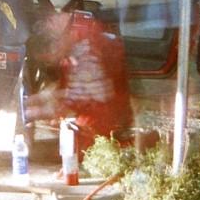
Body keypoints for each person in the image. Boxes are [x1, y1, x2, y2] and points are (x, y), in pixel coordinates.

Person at [24, 10, 133, 158]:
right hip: (104, 116)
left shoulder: (86, 56)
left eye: (48, 58)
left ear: (56, 44)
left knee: (52, 148)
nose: (49, 62)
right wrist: (42, 98)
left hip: (103, 130)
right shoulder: (80, 43)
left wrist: (32, 112)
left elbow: (78, 104)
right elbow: (71, 91)